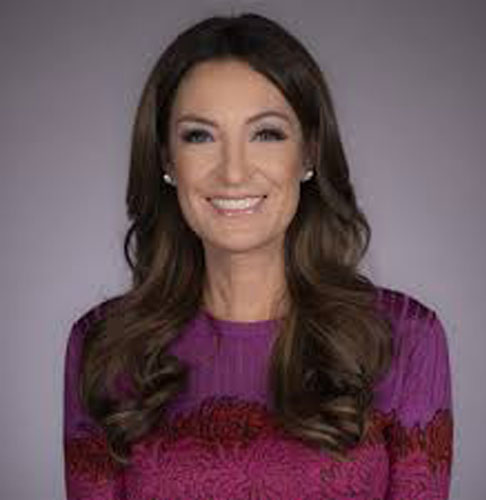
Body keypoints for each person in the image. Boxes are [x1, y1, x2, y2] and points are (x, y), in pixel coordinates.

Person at [63, 12, 453, 500]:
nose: (233, 172)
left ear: (309, 154)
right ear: (166, 159)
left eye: (266, 134)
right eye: (200, 136)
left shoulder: (406, 340)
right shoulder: (104, 347)